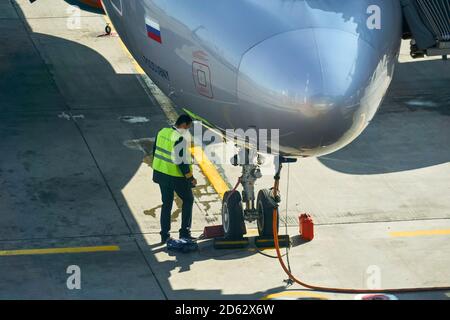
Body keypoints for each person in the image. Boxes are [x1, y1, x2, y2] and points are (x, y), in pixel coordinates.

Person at [152, 114, 197, 244]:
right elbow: (181, 162)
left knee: (167, 203)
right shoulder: (180, 139)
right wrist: (190, 178)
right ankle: (185, 232)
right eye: (188, 127)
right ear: (183, 125)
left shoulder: (162, 132)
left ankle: (164, 235)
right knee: (188, 200)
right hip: (176, 177)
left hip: (161, 174)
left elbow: (155, 151)